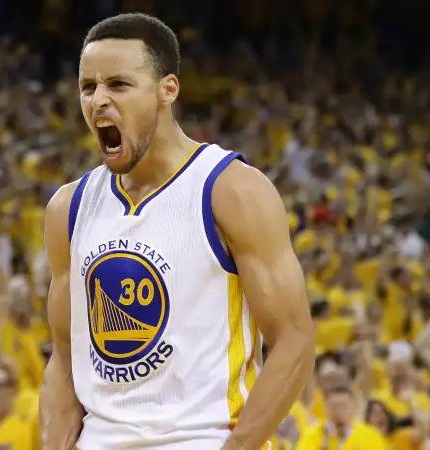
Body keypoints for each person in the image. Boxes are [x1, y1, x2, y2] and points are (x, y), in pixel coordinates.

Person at [39, 12, 315, 450]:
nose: (98, 100)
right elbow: (66, 361)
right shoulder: (68, 208)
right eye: (88, 87)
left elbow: (295, 342)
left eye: (119, 85)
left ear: (168, 90)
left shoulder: (230, 189)